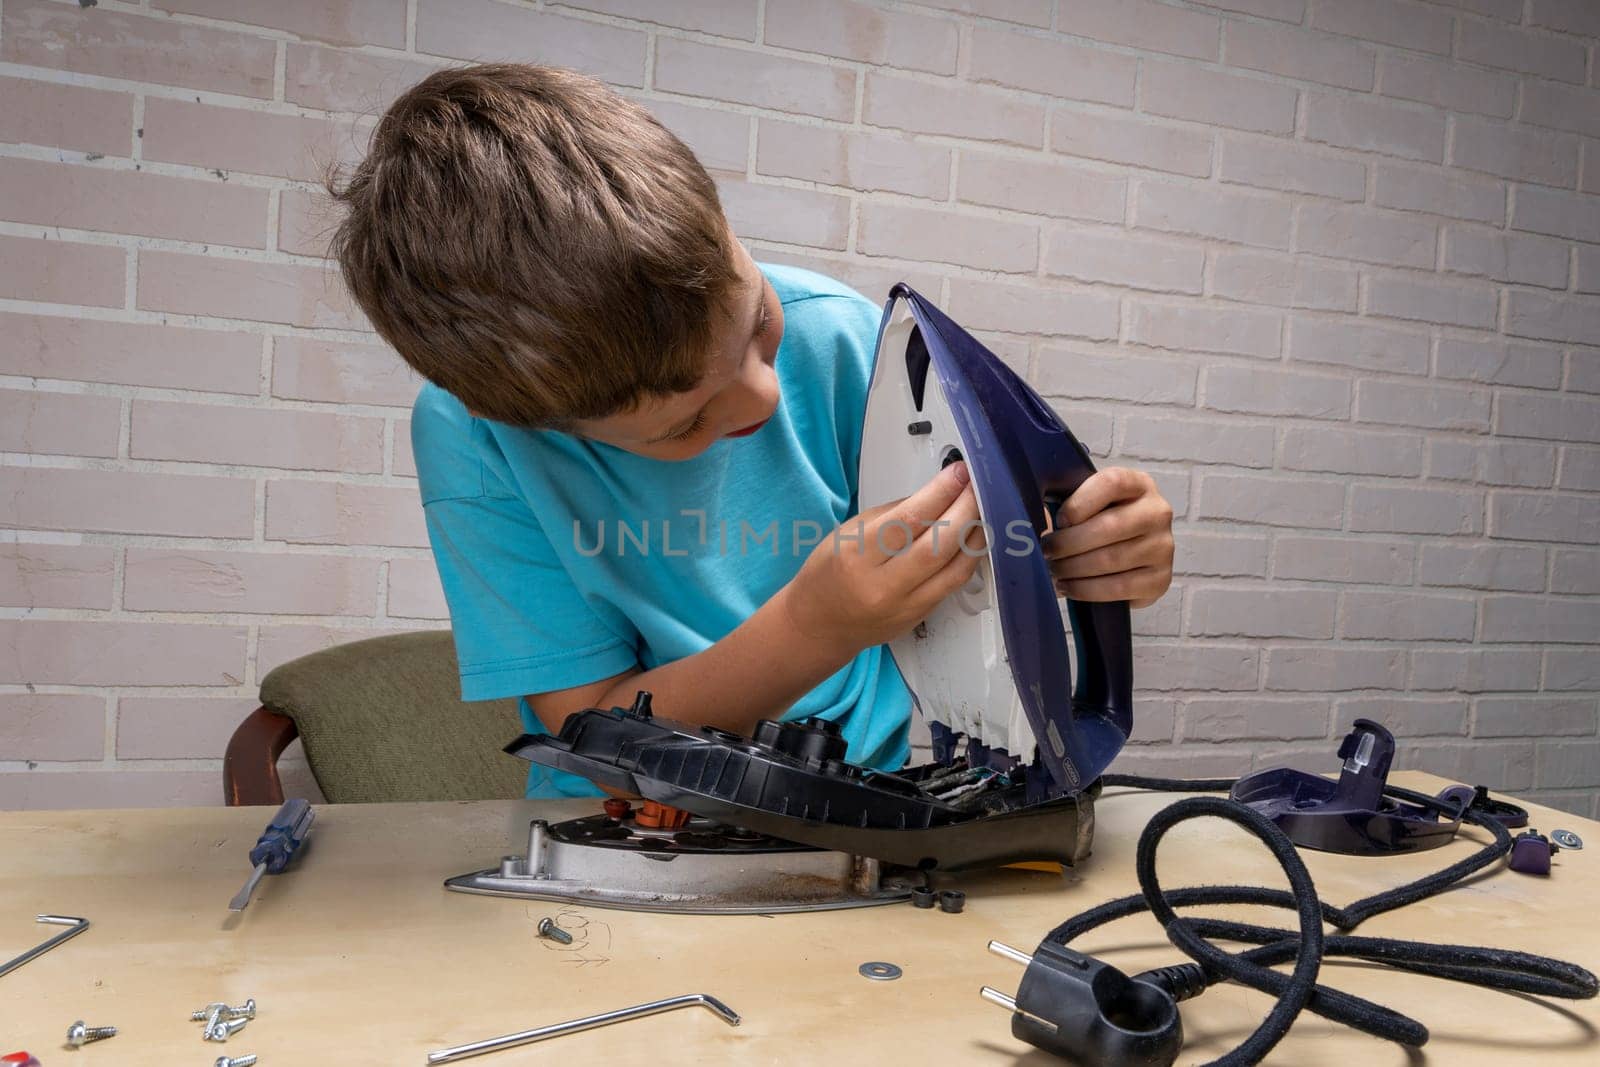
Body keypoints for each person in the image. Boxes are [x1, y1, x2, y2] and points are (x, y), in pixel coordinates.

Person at [329, 64, 1174, 798]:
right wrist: (814, 627)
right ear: (538, 422)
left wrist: (1085, 548)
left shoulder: (843, 335)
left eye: (759, 324)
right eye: (687, 421)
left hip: (857, 802)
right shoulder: (475, 437)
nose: (763, 402)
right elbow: (589, 733)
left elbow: (971, 580)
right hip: (610, 826)